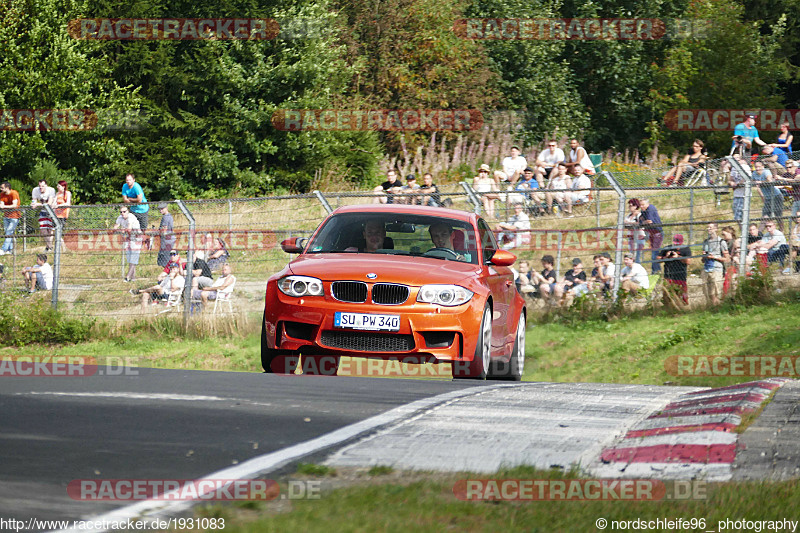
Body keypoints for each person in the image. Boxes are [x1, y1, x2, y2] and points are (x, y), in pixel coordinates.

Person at [657, 234, 691, 307]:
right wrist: (666, 257)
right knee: (667, 296)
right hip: (668, 276)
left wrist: (678, 256)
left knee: (682, 296)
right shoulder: (667, 248)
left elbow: (688, 261)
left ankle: (683, 309)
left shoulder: (685, 249)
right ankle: (668, 309)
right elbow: (657, 259)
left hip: (680, 276)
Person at [701, 223, 729, 306]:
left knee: (717, 292)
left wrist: (714, 257)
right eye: (708, 227)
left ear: (716, 229)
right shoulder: (705, 242)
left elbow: (727, 258)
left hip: (717, 269)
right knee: (708, 293)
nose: (708, 229)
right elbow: (702, 260)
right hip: (706, 268)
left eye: (710, 227)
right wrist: (704, 256)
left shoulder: (721, 242)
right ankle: (712, 308)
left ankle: (718, 308)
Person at [751, 160, 784, 230]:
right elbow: (751, 181)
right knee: (765, 216)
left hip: (776, 196)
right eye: (756, 167)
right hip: (768, 198)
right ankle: (759, 233)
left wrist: (761, 182)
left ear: (763, 167)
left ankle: (782, 231)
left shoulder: (766, 171)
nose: (757, 168)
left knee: (778, 216)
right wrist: (754, 182)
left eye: (759, 167)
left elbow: (769, 180)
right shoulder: (754, 173)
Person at [113, 205, 142, 282]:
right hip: (128, 237)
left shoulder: (131, 217)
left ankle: (128, 277)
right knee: (129, 258)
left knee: (134, 258)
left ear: (128, 211)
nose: (122, 213)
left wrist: (123, 230)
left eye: (124, 211)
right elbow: (115, 228)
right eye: (121, 212)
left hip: (136, 237)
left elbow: (129, 228)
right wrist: (119, 229)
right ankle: (133, 278)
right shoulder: (120, 217)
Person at [637, 198, 663, 274]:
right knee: (653, 252)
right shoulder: (643, 211)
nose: (641, 206)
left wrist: (643, 222)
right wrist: (643, 222)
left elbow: (649, 221)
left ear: (647, 204)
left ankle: (655, 272)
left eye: (643, 205)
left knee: (655, 253)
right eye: (640, 205)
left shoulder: (650, 208)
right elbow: (640, 221)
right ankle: (656, 271)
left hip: (657, 233)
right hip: (651, 233)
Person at [31, 179, 56, 250]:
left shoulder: (51, 190)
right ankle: (50, 246)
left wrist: (38, 204)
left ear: (46, 186)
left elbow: (49, 203)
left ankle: (48, 247)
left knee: (50, 230)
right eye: (39, 186)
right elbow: (34, 201)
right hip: (43, 211)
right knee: (43, 229)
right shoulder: (35, 190)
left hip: (52, 211)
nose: (41, 188)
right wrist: (33, 204)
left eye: (42, 186)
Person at [0, 181, 21, 255]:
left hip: (15, 216)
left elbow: (14, 205)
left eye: (2, 188)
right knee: (8, 232)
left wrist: (4, 206)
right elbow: (1, 204)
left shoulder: (14, 193)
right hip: (6, 216)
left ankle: (4, 249)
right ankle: (10, 249)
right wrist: (2, 206)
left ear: (7, 188)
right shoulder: (2, 194)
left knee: (9, 231)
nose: (1, 189)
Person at [624, 199, 646, 264]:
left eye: (631, 206)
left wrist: (629, 223)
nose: (629, 207)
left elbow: (640, 223)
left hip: (638, 237)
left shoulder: (639, 215)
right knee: (631, 256)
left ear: (636, 206)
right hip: (631, 237)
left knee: (637, 256)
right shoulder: (628, 216)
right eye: (629, 206)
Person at [720, 226, 740, 294]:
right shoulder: (725, 242)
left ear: (729, 233)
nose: (723, 236)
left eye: (724, 234)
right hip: (726, 263)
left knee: (728, 282)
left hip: (732, 264)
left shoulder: (733, 242)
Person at [728, 157, 747, 223]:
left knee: (740, 216)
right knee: (736, 216)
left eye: (738, 159)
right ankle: (742, 231)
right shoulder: (734, 168)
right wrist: (731, 183)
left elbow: (746, 179)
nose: (736, 161)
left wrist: (737, 184)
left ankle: (744, 231)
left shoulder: (745, 167)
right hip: (736, 194)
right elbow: (730, 180)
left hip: (744, 195)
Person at [156, 202, 175, 267]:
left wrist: (156, 232)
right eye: (160, 209)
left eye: (162, 209)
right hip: (170, 241)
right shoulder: (170, 216)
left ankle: (168, 274)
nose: (160, 210)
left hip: (166, 241)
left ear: (166, 208)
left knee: (165, 261)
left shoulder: (165, 217)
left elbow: (164, 231)